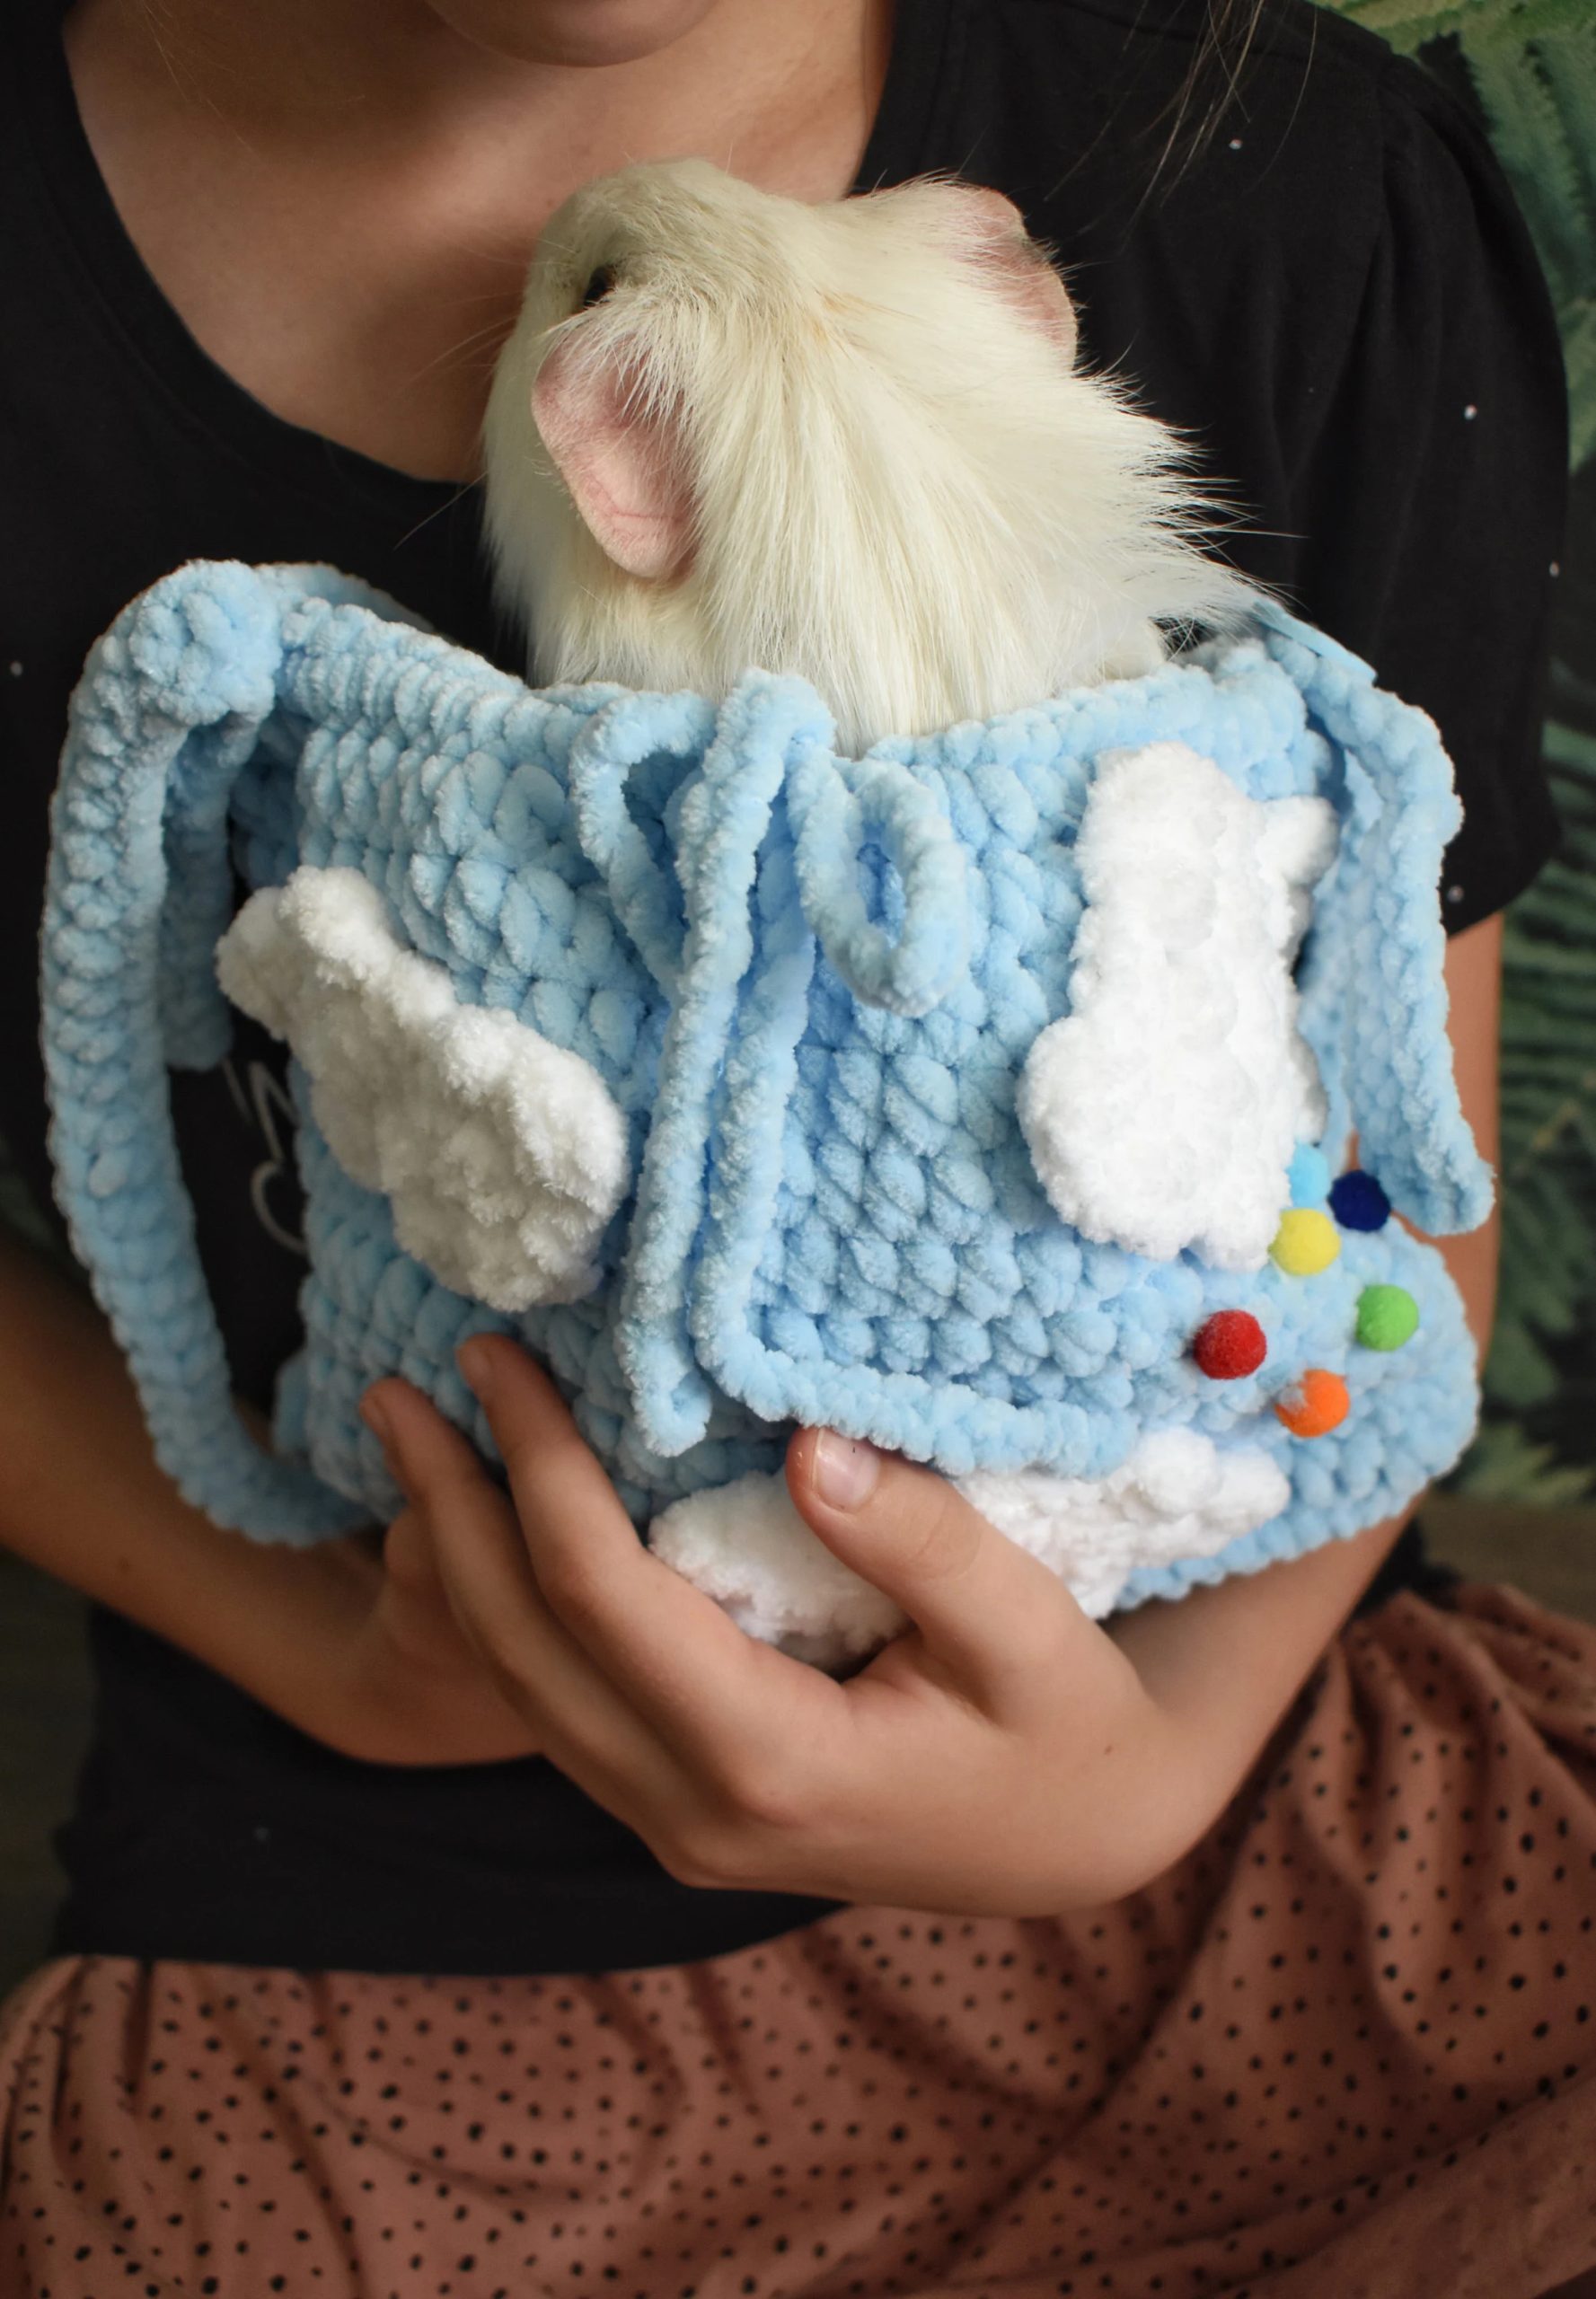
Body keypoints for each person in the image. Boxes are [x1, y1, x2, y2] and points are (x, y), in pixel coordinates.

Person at [0, 0, 1591, 2292]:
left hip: (1253, 1777)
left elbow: (1392, 1201)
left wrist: (1149, 1756)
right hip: (373, 1922)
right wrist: (332, 1647)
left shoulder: (1267, 166)